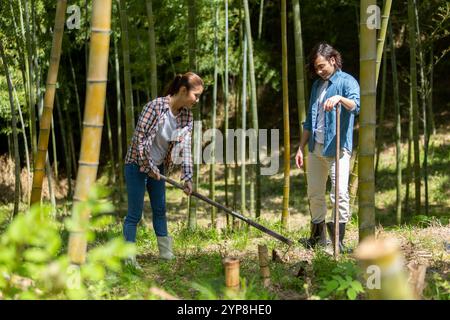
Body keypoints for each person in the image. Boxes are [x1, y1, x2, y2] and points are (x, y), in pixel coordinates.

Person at [123, 72, 204, 267]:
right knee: (134, 213)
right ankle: (129, 258)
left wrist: (188, 178)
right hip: (136, 164)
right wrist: (148, 167)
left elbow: (185, 148)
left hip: (158, 167)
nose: (198, 100)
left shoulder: (186, 116)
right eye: (196, 95)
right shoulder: (155, 107)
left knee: (160, 209)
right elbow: (139, 140)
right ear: (183, 91)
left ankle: (166, 253)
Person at [295, 42, 360, 252]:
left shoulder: (347, 81)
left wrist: (340, 98)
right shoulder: (317, 86)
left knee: (339, 194)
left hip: (338, 148)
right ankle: (317, 238)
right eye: (316, 68)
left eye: (322, 66)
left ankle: (338, 241)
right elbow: (309, 121)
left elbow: (356, 106)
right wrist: (300, 148)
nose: (319, 71)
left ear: (333, 60)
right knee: (314, 193)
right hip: (315, 148)